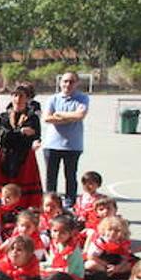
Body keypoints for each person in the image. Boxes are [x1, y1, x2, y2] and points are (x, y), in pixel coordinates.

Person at [0, 84, 43, 209]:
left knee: (24, 184)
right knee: (3, 183)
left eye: (22, 96)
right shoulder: (4, 116)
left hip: (24, 156)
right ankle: (0, 208)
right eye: (15, 95)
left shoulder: (32, 117)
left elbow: (36, 135)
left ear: (27, 98)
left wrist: (29, 138)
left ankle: (23, 210)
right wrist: (22, 132)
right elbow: (4, 137)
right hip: (5, 155)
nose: (18, 99)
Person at [41, 71, 89, 206]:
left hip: (72, 145)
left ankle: (70, 203)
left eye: (71, 81)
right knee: (51, 177)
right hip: (52, 144)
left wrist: (59, 115)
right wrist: (68, 118)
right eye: (65, 81)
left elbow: (80, 115)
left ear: (77, 83)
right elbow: (46, 118)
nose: (68, 84)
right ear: (60, 82)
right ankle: (50, 202)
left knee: (70, 176)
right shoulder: (53, 99)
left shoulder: (83, 98)